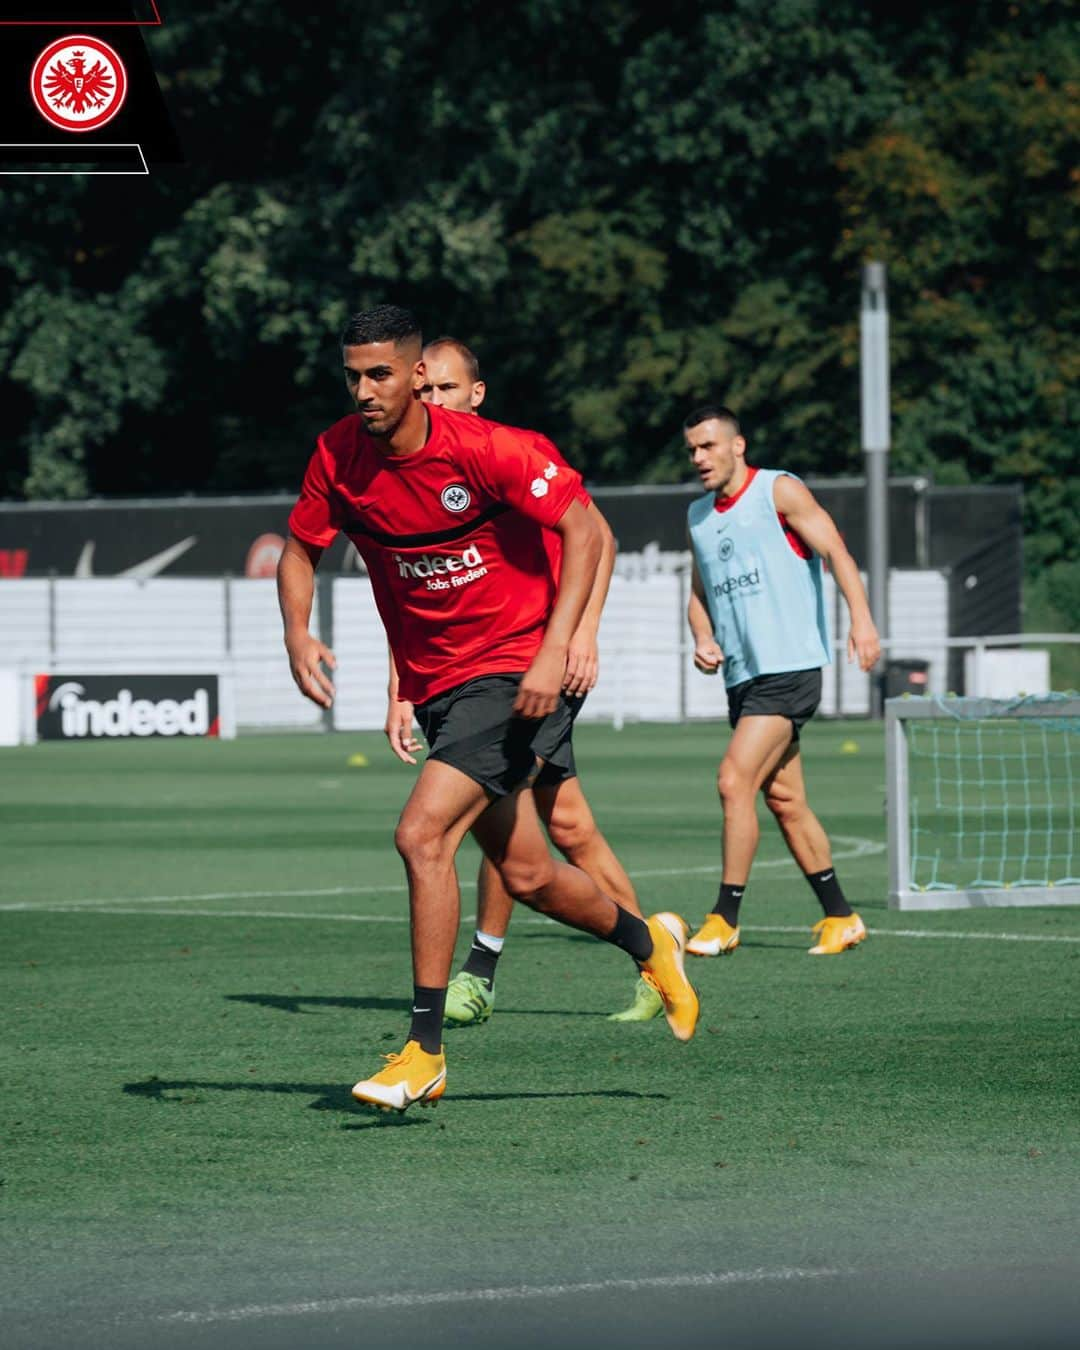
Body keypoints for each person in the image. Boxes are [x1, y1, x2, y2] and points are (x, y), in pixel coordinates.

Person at [278, 305, 698, 1113]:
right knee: (533, 874)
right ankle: (654, 945)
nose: (365, 390)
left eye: (381, 375)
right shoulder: (337, 452)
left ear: (415, 377)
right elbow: (300, 547)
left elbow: (584, 527)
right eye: (352, 376)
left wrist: (559, 644)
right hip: (442, 687)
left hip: (514, 674)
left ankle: (423, 1050)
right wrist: (299, 632)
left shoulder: (486, 449)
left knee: (421, 834)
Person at [383, 335, 661, 1027]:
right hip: (484, 674)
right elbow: (415, 594)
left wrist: (582, 634)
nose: (433, 400)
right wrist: (399, 687)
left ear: (476, 395)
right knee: (564, 825)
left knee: (492, 814)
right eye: (425, 391)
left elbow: (598, 535)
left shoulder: (513, 448)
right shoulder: (414, 468)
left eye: (446, 389)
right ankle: (655, 954)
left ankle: (480, 971)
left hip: (535, 666)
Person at [682, 404, 881, 957]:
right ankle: (841, 916)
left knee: (732, 781)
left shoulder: (779, 491)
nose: (699, 458)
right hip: (743, 679)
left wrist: (862, 621)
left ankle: (724, 917)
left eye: (709, 446)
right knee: (786, 800)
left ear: (737, 446)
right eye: (693, 449)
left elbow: (837, 551)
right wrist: (702, 637)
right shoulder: (699, 516)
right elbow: (698, 595)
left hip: (790, 668)